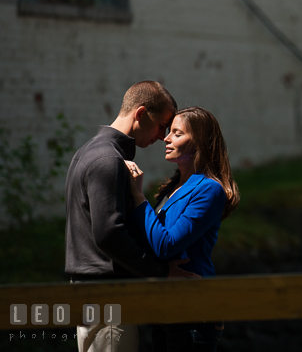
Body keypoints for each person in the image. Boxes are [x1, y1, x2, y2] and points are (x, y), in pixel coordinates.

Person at [65, 80, 198, 352]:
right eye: (162, 125)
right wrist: (161, 273)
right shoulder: (107, 159)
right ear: (139, 114)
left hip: (91, 296)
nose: (163, 136)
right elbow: (109, 234)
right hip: (108, 298)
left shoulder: (89, 152)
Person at [125, 106, 240, 352]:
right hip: (165, 306)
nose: (166, 138)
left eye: (177, 133)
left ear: (198, 142)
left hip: (194, 308)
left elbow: (166, 245)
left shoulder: (210, 189)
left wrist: (138, 197)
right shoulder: (170, 188)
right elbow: (151, 239)